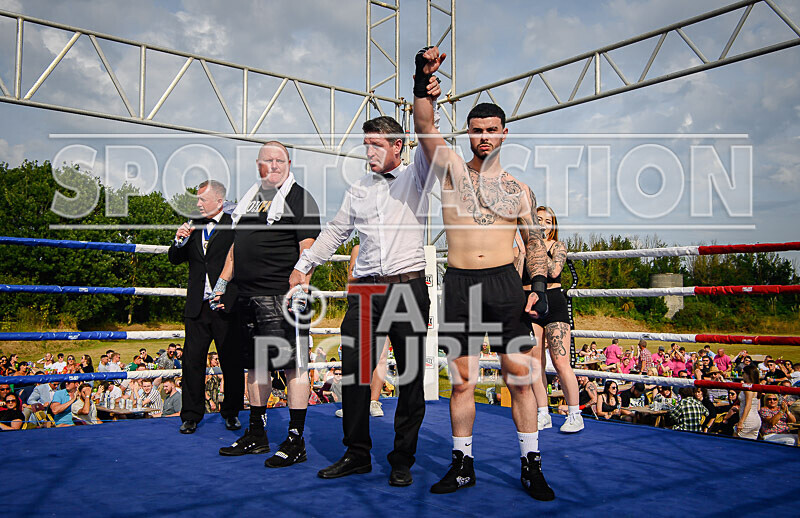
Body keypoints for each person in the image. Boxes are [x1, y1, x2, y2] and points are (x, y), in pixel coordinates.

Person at [412, 47, 554, 500]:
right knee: (463, 380)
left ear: (505, 133)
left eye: (492, 130)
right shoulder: (451, 170)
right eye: (477, 131)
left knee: (519, 377)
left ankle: (531, 464)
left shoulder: (519, 189)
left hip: (505, 286)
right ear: (468, 134)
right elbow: (424, 126)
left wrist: (537, 287)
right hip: (460, 286)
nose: (485, 137)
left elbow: (534, 243)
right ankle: (462, 464)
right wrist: (421, 81)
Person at [290, 107, 436, 483]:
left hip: (407, 284)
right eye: (365, 145)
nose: (368, 153)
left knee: (411, 375)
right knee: (353, 372)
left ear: (397, 146)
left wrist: (423, 89)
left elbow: (427, 134)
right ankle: (357, 453)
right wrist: (304, 265)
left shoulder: (417, 175)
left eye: (375, 145)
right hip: (367, 287)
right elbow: (335, 232)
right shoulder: (357, 189)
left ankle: (402, 458)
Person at [213, 141, 321, 469]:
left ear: (289, 163)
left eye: (279, 160)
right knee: (254, 367)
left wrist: (299, 288)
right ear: (257, 164)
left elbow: (309, 248)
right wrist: (220, 284)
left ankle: (295, 438)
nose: (272, 166)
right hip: (246, 296)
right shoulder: (249, 200)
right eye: (266, 161)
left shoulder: (300, 197)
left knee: (293, 366)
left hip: (281, 297)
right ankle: (257, 433)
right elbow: (236, 248)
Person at [168, 179, 242, 435]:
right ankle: (190, 416)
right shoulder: (192, 226)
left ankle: (231, 413)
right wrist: (179, 240)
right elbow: (175, 259)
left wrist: (232, 298)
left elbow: (242, 264)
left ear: (219, 201)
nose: (197, 204)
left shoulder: (235, 225)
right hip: (197, 306)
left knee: (231, 361)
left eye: (202, 199)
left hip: (225, 305)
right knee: (192, 362)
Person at [521, 206, 582, 433]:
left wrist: (538, 250)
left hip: (554, 300)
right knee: (535, 363)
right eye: (538, 220)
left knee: (560, 361)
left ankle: (575, 413)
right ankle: (543, 413)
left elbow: (555, 272)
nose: (543, 224)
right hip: (528, 302)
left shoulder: (557, 246)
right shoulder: (523, 245)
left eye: (548, 220)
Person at [737, 364, 762, 440]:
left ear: (747, 374)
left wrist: (741, 421)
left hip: (748, 419)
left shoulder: (747, 387)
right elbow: (758, 407)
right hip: (756, 419)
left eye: (743, 373)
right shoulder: (757, 386)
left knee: (736, 442)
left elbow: (748, 405)